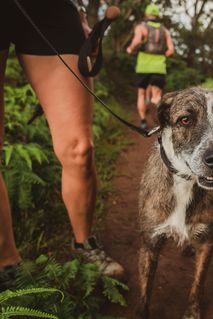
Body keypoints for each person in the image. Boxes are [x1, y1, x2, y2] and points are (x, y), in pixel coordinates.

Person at [0, 0, 125, 290]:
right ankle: (8, 264)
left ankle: (83, 245)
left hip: (52, 9)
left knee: (79, 149)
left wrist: (80, 11)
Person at [126, 4, 175, 130]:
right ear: (157, 15)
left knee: (141, 94)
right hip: (159, 66)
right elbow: (171, 50)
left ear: (146, 14)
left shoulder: (141, 27)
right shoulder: (165, 30)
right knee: (157, 95)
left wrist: (130, 49)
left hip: (143, 66)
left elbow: (136, 41)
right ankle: (157, 108)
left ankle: (143, 120)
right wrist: (161, 56)